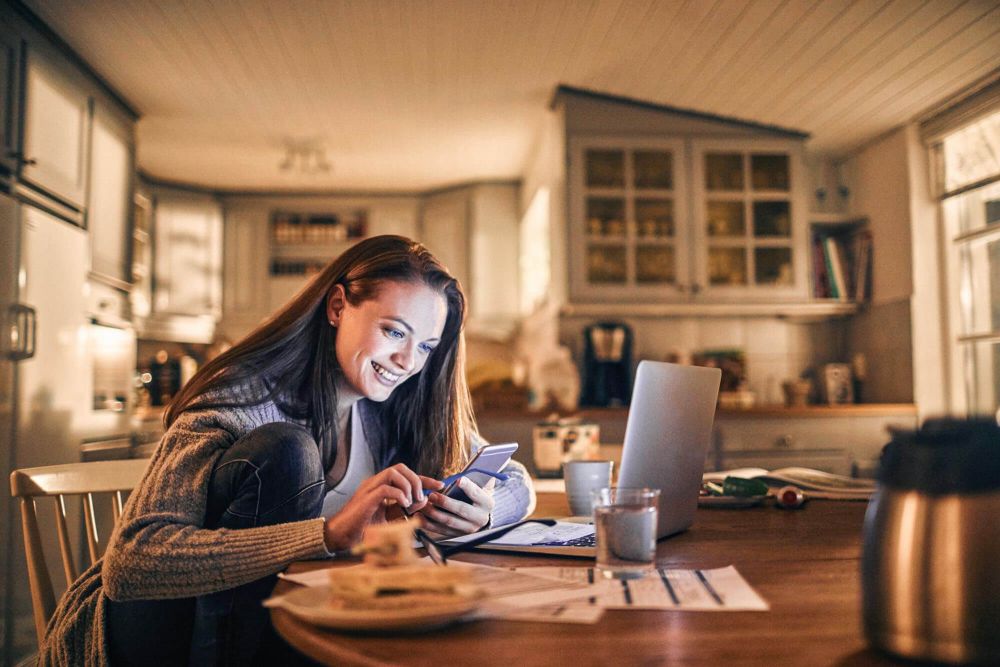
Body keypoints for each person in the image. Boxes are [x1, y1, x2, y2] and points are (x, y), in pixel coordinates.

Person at [40, 235, 535, 666]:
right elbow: (131, 564)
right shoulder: (244, 400)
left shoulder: (399, 408)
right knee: (288, 452)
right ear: (338, 306)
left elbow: (515, 480)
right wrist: (326, 534)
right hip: (153, 635)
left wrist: (480, 512)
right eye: (393, 331)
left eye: (426, 347)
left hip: (280, 632)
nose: (408, 361)